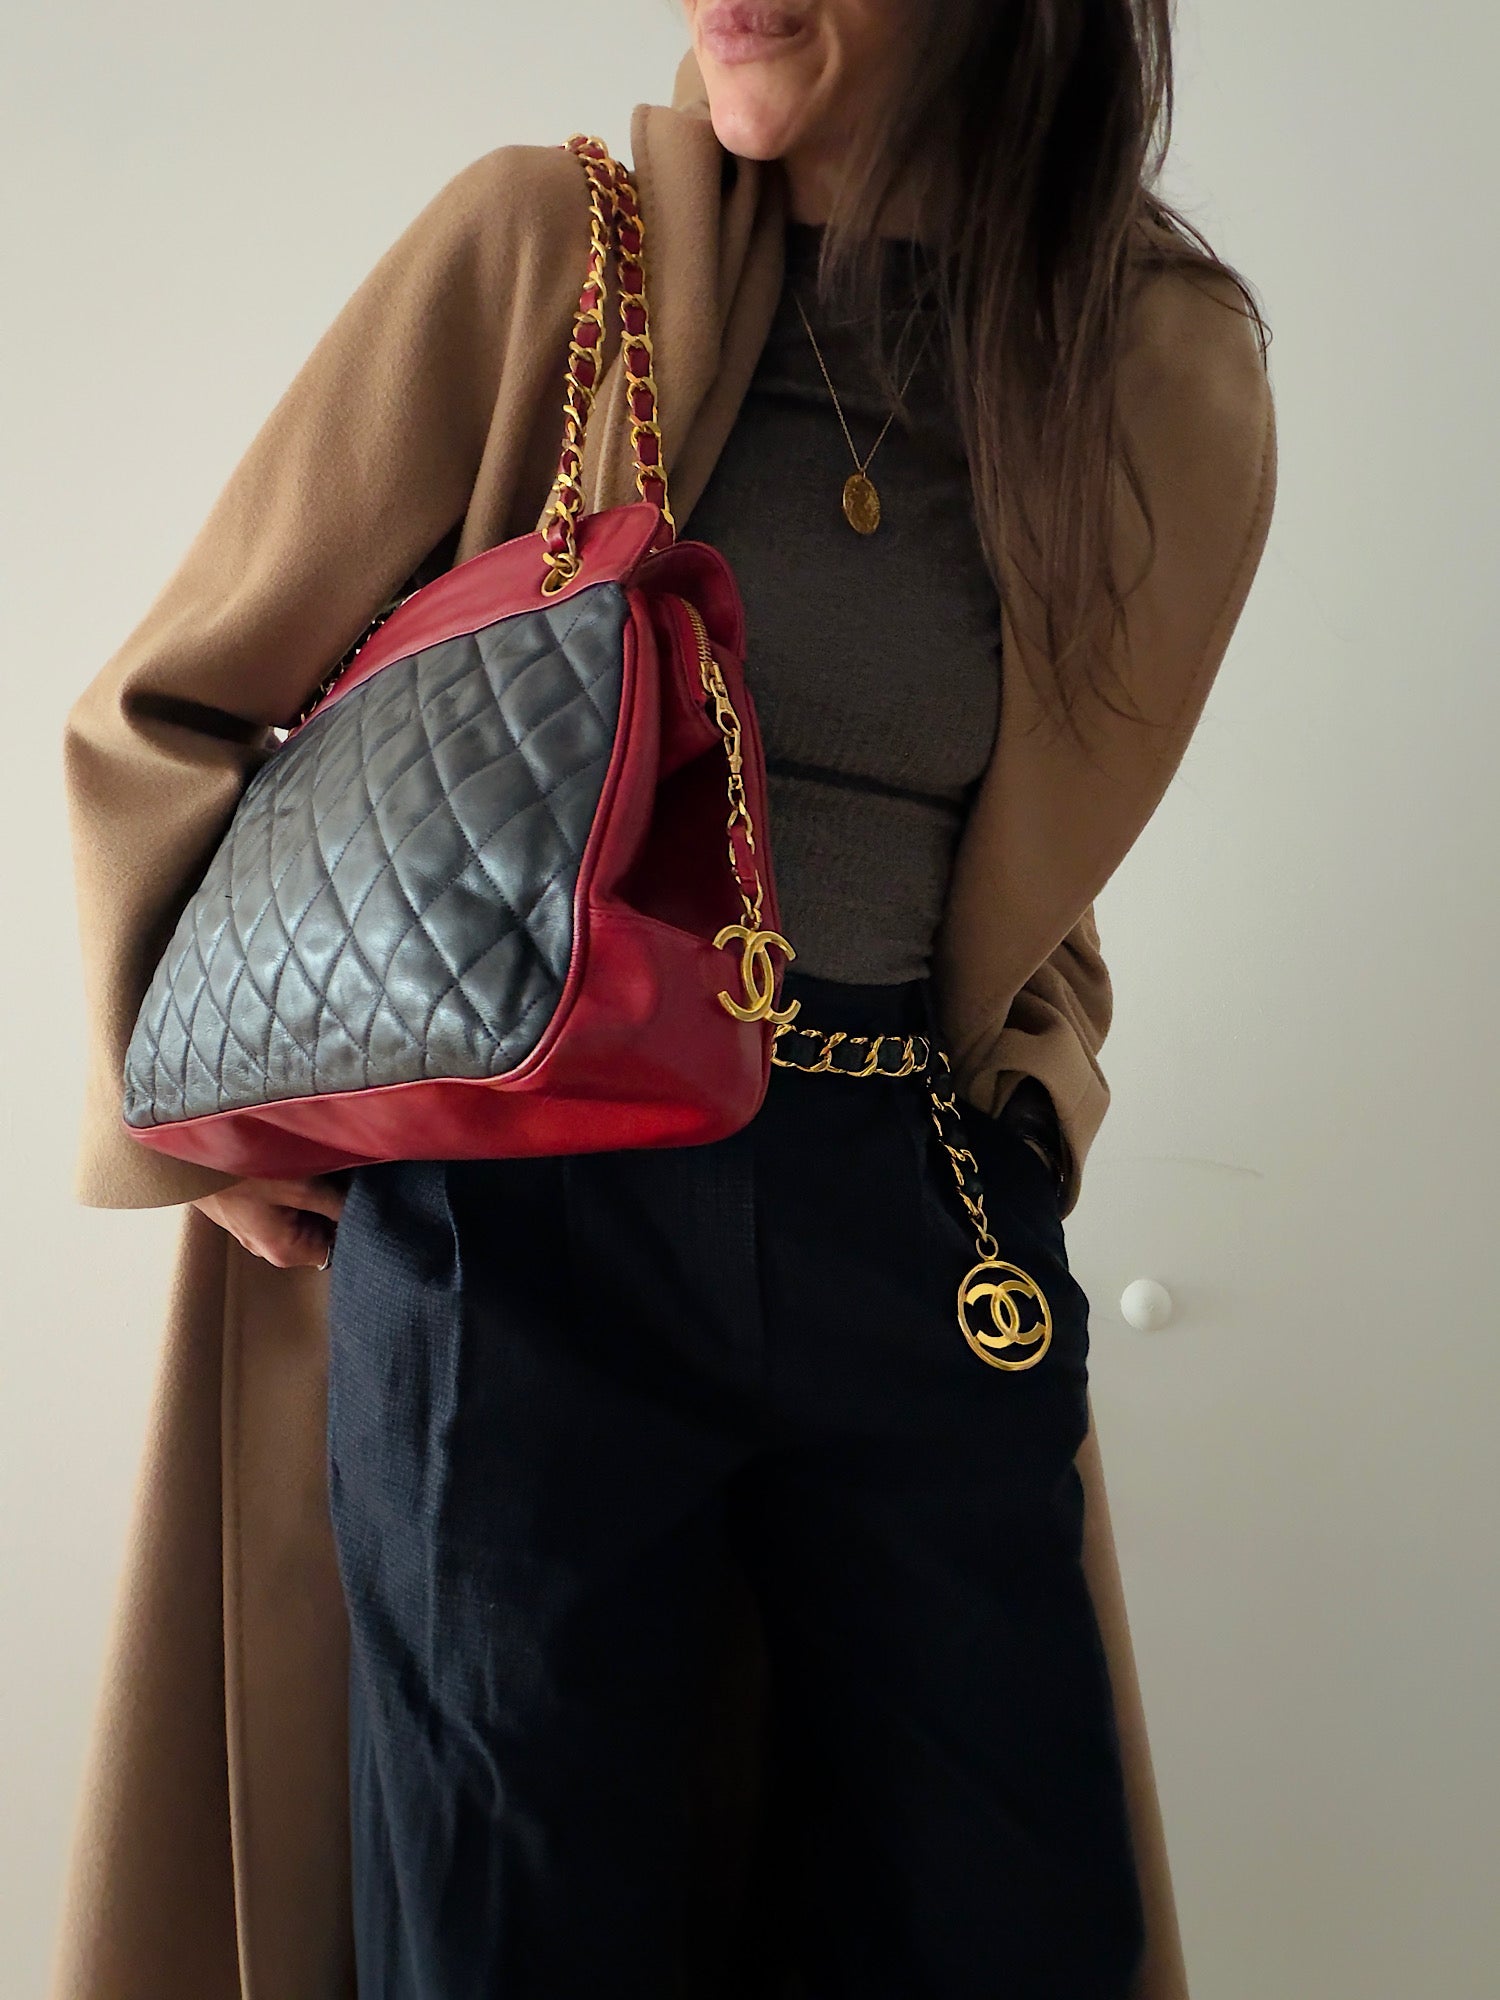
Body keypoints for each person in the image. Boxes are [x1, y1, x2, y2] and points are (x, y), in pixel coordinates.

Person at [55, 6, 1276, 1999]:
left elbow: (1041, 871)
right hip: (520, 1222)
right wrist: (186, 1104)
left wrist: (1027, 1119)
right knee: (507, 1933)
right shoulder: (546, 250)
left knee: (1012, 1915)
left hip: (907, 1209)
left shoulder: (1134, 372)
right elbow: (171, 706)